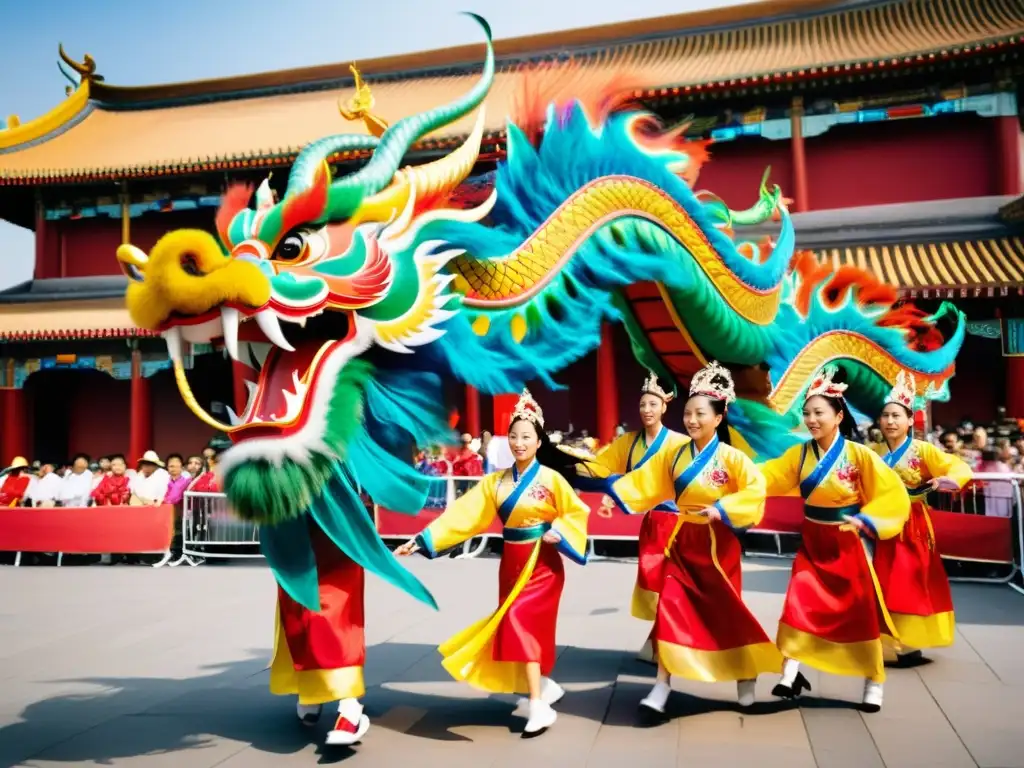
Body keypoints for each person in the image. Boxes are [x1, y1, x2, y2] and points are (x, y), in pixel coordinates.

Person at [395, 389, 590, 737]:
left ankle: (538, 704)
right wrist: (421, 540)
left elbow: (575, 511)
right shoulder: (495, 482)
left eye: (526, 437)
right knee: (518, 626)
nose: (518, 443)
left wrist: (559, 530)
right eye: (513, 436)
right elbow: (464, 515)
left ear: (539, 440)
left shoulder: (551, 479)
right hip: (512, 562)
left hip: (542, 565)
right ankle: (543, 686)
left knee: (521, 622)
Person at [608, 361, 781, 714]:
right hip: (683, 539)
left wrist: (722, 509)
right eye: (688, 413)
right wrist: (616, 494)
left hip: (718, 546)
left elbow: (754, 490)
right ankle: (661, 684)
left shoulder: (733, 458)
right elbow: (646, 480)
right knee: (670, 606)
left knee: (725, 613)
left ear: (718, 418)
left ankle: (745, 673)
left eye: (700, 413)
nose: (692, 420)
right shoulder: (674, 455)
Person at [759, 364, 910, 712]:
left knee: (860, 615)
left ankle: (874, 682)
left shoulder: (860, 456)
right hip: (813, 542)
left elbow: (890, 494)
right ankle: (791, 670)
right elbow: (766, 476)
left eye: (819, 413)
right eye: (807, 413)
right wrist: (733, 479)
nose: (811, 419)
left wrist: (867, 520)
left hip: (847, 543)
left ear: (838, 415)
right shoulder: (799, 455)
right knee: (799, 602)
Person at [567, 372, 682, 662]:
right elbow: (600, 467)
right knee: (653, 580)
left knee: (674, 584)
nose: (646, 410)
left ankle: (661, 644)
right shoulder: (628, 443)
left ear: (664, 407)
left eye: (653, 404)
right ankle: (661, 642)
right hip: (653, 524)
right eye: (643, 404)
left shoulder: (680, 443)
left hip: (682, 522)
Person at [873, 371, 972, 665]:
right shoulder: (874, 453)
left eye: (896, 416)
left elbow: (958, 468)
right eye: (886, 416)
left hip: (914, 525)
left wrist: (945, 480)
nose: (890, 421)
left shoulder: (922, 451)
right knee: (885, 579)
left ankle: (909, 643)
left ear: (908, 421)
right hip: (883, 524)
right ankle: (889, 639)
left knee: (911, 579)